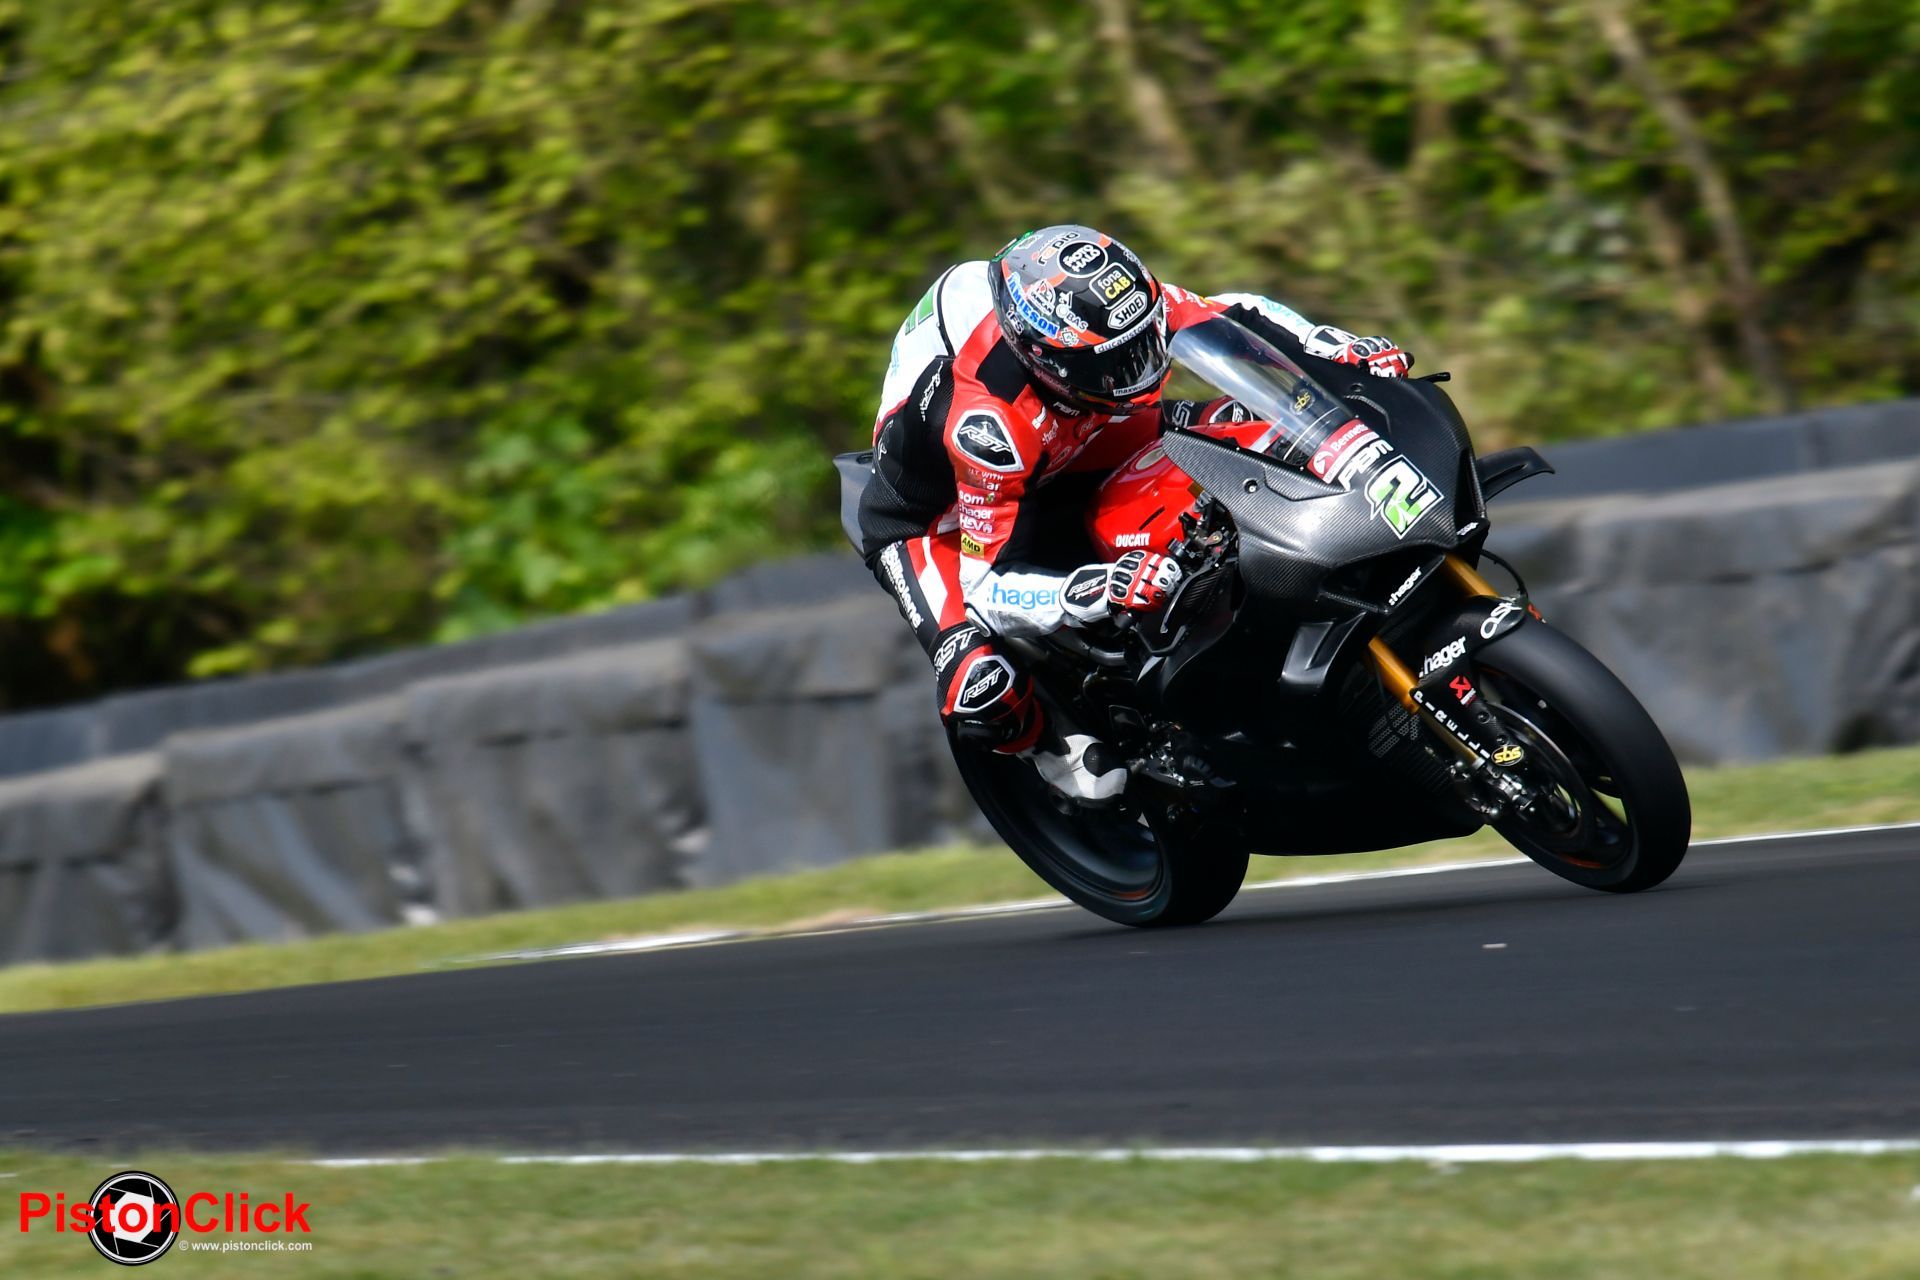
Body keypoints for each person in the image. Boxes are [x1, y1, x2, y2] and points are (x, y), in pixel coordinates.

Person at [856, 224, 1412, 804]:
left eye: (1143, 343)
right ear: (1046, 361)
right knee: (977, 678)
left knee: (1250, 430)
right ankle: (1048, 746)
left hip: (1083, 434)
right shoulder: (991, 427)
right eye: (1118, 363)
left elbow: (1232, 314)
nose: (1143, 367)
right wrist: (1093, 589)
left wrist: (1329, 344)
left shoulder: (1107, 311)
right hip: (938, 524)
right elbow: (984, 584)